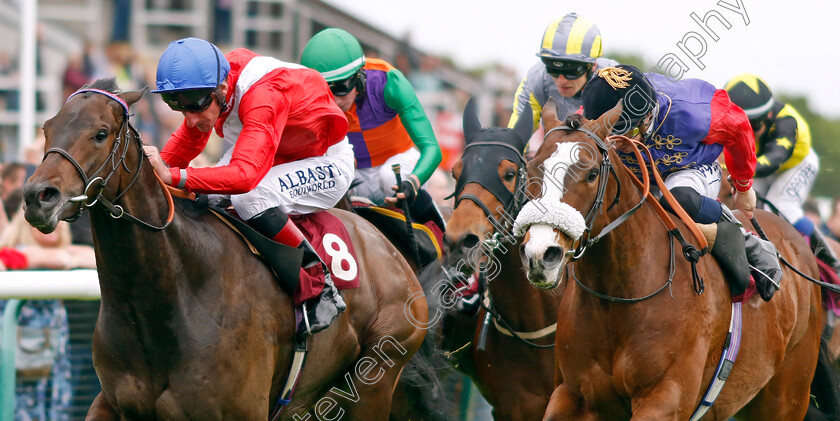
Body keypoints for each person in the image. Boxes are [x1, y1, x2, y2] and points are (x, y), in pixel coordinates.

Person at [143, 37, 355, 336]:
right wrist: (148, 173)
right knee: (204, 192)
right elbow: (188, 141)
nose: (189, 116)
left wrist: (173, 176)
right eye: (177, 105)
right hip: (276, 150)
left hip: (325, 160)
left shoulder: (263, 94)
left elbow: (245, 176)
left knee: (250, 198)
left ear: (222, 89)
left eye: (196, 104)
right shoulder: (213, 80)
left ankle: (318, 282)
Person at [580, 64, 782, 302]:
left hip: (690, 168)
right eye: (610, 135)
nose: (618, 143)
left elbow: (740, 127)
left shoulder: (696, 115)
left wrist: (743, 185)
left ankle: (750, 244)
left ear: (647, 116)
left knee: (677, 197)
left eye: (627, 133)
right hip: (636, 171)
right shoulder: (591, 111)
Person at [299, 28, 445, 230]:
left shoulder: (389, 82)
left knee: (389, 176)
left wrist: (413, 182)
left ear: (359, 75)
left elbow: (432, 148)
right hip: (355, 175)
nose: (334, 100)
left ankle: (442, 234)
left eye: (340, 87)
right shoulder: (306, 99)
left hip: (399, 164)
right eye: (323, 90)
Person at [724, 74, 839, 275]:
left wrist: (739, 171)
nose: (746, 133)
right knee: (744, 205)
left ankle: (831, 260)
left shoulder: (786, 122)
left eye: (751, 127)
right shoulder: (757, 120)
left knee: (782, 205)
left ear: (767, 117)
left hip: (795, 163)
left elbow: (773, 159)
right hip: (760, 163)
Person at [508, 13, 618, 137]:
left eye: (571, 72)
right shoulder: (536, 79)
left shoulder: (616, 80)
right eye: (552, 69)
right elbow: (516, 136)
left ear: (592, 65)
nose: (561, 81)